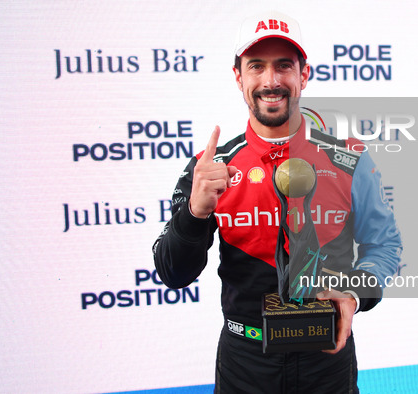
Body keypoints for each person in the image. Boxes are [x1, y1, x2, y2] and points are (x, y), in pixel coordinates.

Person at [153, 10, 402, 393]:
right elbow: (173, 273)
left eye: (284, 66)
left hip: (328, 361)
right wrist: (194, 214)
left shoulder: (349, 159)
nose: (271, 81)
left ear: (304, 74)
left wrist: (353, 291)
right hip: (245, 365)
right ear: (239, 77)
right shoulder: (211, 169)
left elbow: (385, 246)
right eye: (257, 66)